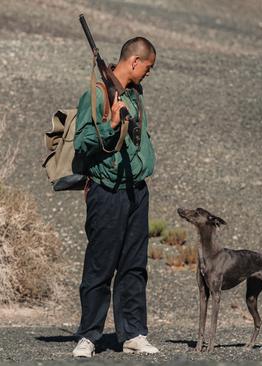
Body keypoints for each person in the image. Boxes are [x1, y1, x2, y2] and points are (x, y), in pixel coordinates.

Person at [71, 36, 158, 358]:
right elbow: (82, 142)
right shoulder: (95, 95)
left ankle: (133, 333)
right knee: (100, 266)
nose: (149, 73)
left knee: (134, 266)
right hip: (107, 192)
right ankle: (89, 336)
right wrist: (110, 125)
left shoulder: (134, 94)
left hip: (136, 191)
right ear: (134, 61)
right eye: (148, 67)